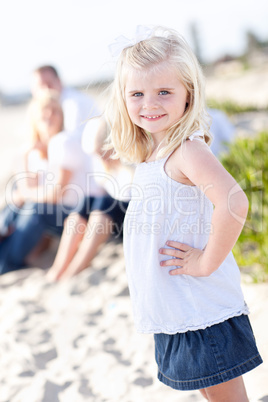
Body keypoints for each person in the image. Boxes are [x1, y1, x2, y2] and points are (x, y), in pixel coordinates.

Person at [104, 26, 262, 401]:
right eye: (137, 94)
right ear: (123, 99)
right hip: (175, 311)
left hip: (200, 308)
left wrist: (207, 261)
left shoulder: (186, 151)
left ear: (188, 93)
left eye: (164, 92)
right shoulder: (150, 157)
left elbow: (234, 202)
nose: (150, 103)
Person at [0, 91, 103, 274]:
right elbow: (25, 190)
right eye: (43, 112)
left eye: (54, 111)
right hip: (57, 211)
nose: (49, 116)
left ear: (62, 116)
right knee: (20, 201)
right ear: (34, 119)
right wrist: (24, 157)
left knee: (37, 208)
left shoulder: (64, 143)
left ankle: (6, 262)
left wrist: (25, 192)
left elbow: (55, 195)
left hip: (77, 212)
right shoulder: (36, 150)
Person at [46, 117, 132, 281]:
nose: (102, 158)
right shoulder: (105, 167)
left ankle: (77, 268)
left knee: (104, 203)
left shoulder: (133, 164)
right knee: (86, 201)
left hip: (133, 221)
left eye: (104, 152)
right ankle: (59, 268)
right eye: (98, 154)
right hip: (114, 219)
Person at [31, 65, 100, 140]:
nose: (46, 89)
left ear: (59, 82)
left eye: (49, 84)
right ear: (33, 90)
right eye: (41, 86)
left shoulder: (73, 104)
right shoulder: (42, 108)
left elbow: (69, 142)